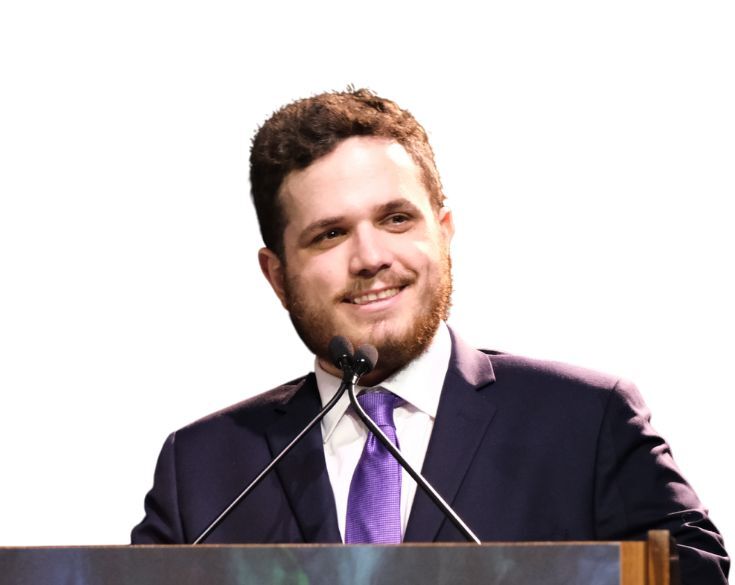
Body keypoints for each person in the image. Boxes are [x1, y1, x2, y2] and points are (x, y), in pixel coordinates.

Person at [131, 88, 729, 584]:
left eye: (396, 219)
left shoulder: (587, 424)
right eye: (329, 235)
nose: (370, 257)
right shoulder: (204, 469)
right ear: (277, 275)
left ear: (443, 232)